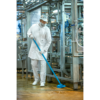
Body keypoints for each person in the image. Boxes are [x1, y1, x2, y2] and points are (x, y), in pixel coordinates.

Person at [27, 15, 52, 86]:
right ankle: (36, 79)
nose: (44, 23)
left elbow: (49, 41)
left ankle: (42, 81)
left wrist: (44, 49)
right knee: (33, 64)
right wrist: (30, 35)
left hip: (42, 49)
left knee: (43, 66)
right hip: (34, 48)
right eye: (43, 21)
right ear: (40, 20)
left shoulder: (47, 29)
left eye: (45, 22)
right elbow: (28, 32)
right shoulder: (33, 26)